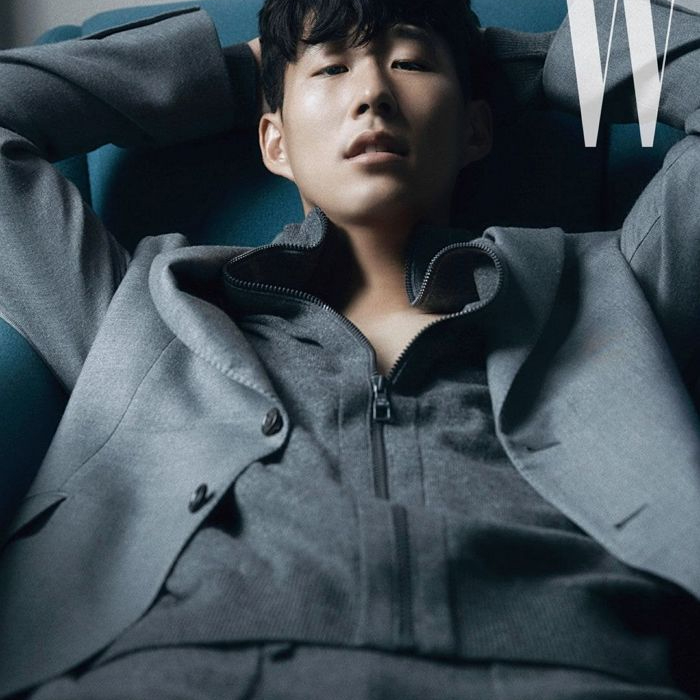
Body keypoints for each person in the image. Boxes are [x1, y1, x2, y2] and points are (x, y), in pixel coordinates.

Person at [0, 0, 699, 697]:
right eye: (332, 69)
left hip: (572, 669)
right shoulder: (154, 309)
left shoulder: (610, 286)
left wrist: (518, 66)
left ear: (476, 129)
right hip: (182, 671)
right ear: (274, 142)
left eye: (411, 64)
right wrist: (238, 77)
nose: (372, 94)